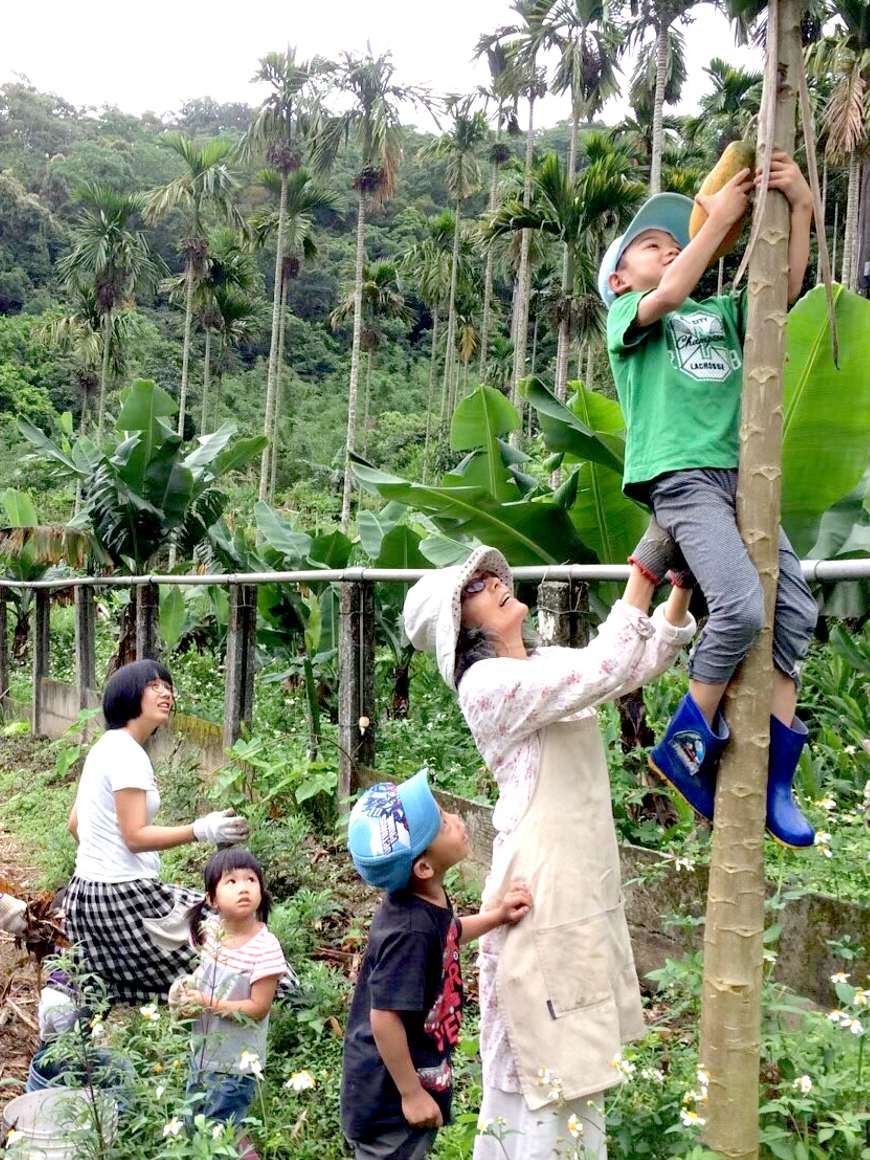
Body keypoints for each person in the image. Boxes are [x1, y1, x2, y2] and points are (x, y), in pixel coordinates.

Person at [401, 545, 696, 1160]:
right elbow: (600, 669)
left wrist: (679, 589)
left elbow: (626, 667)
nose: (493, 583)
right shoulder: (485, 685)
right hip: (538, 883)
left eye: (489, 577)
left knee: (578, 1054)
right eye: (477, 587)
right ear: (464, 626)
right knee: (544, 1058)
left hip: (578, 878)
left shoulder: (540, 659)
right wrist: (643, 569)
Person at [599, 152, 819, 848]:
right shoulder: (633, 317)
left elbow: (777, 296)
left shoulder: (716, 313)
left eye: (676, 241)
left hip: (742, 478)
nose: (669, 250)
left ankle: (777, 780)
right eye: (651, 247)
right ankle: (686, 748)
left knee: (795, 611)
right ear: (619, 279)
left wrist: (803, 209)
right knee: (741, 606)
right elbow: (666, 294)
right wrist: (717, 222)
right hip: (683, 477)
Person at [342, 770, 533, 1160]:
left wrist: (495, 917)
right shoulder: (408, 932)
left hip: (410, 1072)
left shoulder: (424, 903)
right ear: (423, 867)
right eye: (442, 823)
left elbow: (448, 934)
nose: (456, 819)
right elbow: (384, 1018)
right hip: (388, 1098)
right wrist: (411, 1094)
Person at [65, 659, 250, 1004]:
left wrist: (104, 860)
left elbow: (75, 824)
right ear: (128, 695)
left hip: (84, 898)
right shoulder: (128, 754)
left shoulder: (103, 748)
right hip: (121, 897)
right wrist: (202, 829)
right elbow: (134, 837)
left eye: (167, 686)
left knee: (99, 991)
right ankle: (269, 1001)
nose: (165, 692)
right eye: (154, 686)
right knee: (231, 939)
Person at [171, 848, 289, 1160]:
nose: (244, 887)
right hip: (202, 1052)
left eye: (251, 879)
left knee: (222, 1130)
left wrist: (207, 1002)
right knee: (193, 1122)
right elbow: (203, 975)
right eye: (232, 881)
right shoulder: (212, 932)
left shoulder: (266, 948)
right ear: (211, 898)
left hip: (237, 1062)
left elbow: (257, 1008)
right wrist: (186, 993)